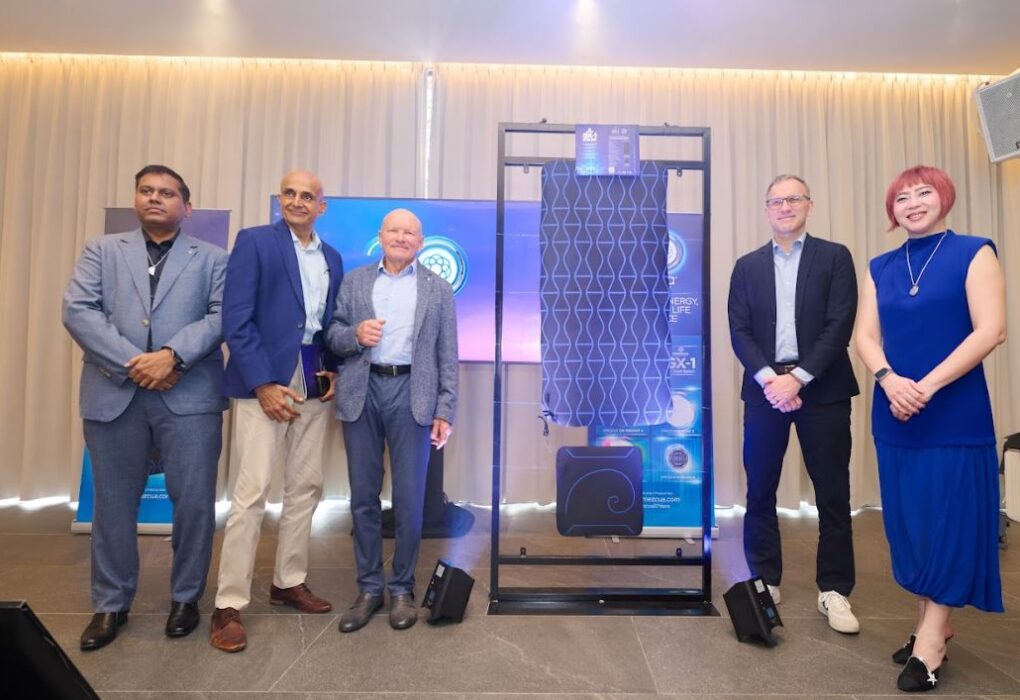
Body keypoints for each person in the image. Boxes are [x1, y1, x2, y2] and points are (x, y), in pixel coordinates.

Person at [63, 165, 227, 650]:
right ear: (136, 199)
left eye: (167, 193)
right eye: (147, 191)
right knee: (113, 506)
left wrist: (172, 356)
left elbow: (222, 316)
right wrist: (136, 365)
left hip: (189, 395)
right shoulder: (101, 250)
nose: (156, 198)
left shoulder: (214, 258)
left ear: (186, 207)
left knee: (194, 503)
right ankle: (111, 604)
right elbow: (78, 310)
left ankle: (186, 598)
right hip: (114, 394)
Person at [854, 165, 1005, 692]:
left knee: (949, 522)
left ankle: (932, 641)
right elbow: (865, 336)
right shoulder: (880, 266)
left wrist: (926, 387)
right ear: (891, 210)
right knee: (911, 525)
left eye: (924, 193)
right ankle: (930, 623)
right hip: (894, 410)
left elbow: (992, 329)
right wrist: (889, 380)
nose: (913, 203)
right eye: (902, 197)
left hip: (953, 411)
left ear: (945, 198)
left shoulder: (974, 252)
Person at [210, 170, 344, 653]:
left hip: (311, 378)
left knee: (306, 486)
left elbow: (327, 324)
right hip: (264, 380)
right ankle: (228, 604)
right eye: (290, 193)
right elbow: (236, 318)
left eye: (308, 196)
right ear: (280, 199)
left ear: (321, 206)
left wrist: (332, 370)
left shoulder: (332, 257)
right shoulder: (255, 242)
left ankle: (289, 581)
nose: (297, 201)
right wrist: (262, 383)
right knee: (251, 493)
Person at [727, 174, 860, 634]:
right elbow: (739, 330)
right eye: (776, 201)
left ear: (809, 204)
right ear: (766, 209)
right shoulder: (747, 266)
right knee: (760, 489)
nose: (785, 207)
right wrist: (773, 381)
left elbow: (840, 324)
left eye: (793, 199)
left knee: (833, 493)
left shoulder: (834, 257)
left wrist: (798, 379)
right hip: (766, 390)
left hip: (823, 388)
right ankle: (765, 578)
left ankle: (835, 589)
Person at [325, 208, 458, 632]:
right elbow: (333, 334)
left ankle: (402, 588)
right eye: (394, 231)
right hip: (362, 392)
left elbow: (447, 354)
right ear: (381, 236)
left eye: (410, 233)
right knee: (363, 497)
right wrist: (354, 335)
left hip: (412, 394)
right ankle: (369, 588)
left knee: (409, 499)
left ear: (421, 242)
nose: (401, 237)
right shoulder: (355, 281)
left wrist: (445, 409)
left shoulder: (438, 289)